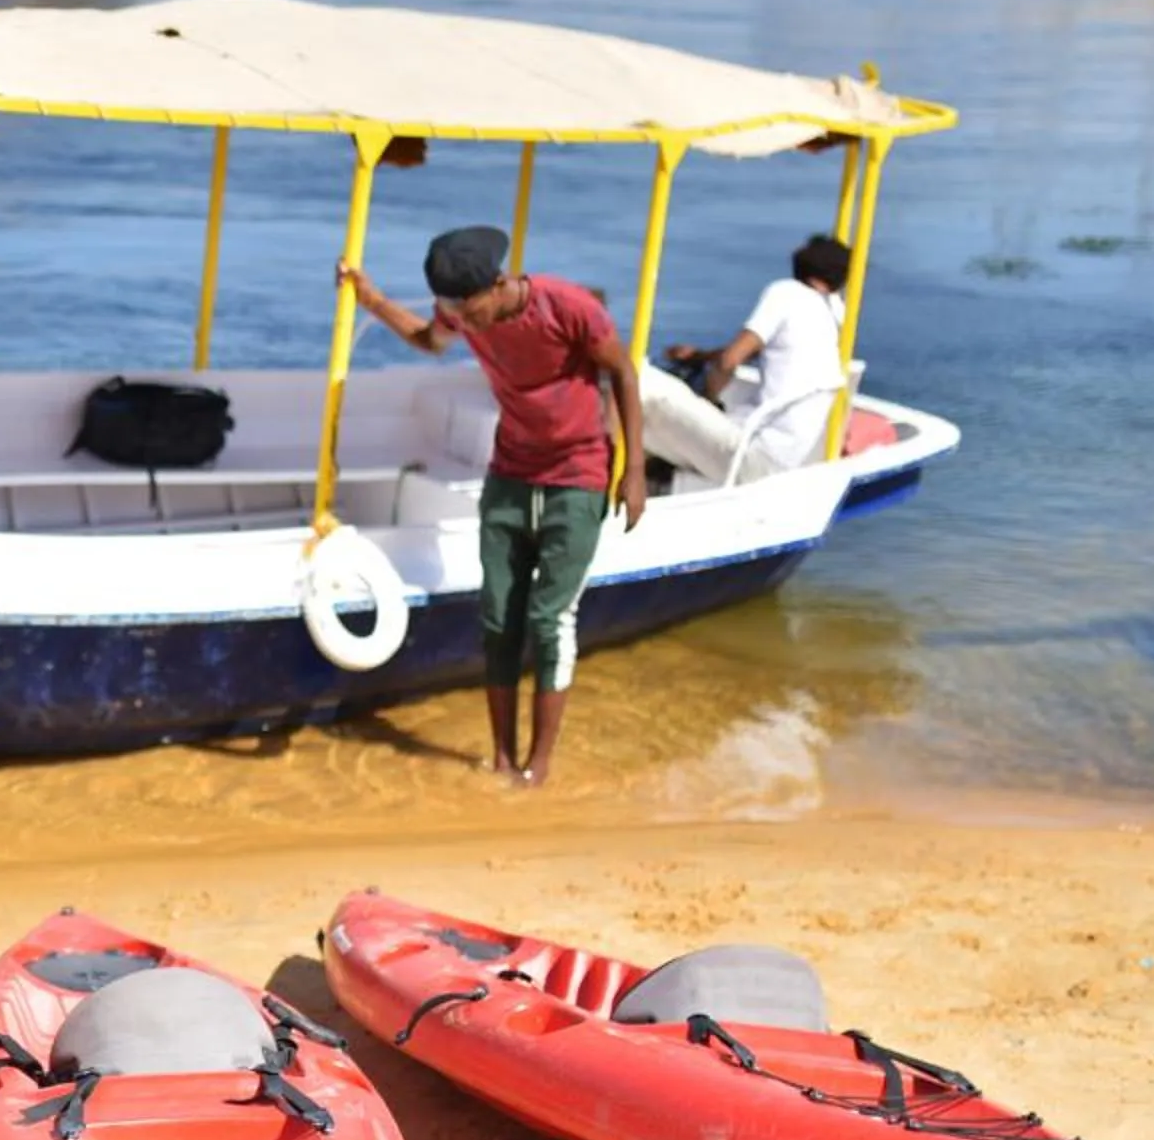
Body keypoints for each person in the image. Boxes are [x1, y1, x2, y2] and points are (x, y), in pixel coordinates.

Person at [340, 227, 646, 789]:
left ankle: (539, 766)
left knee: (550, 620)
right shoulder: (458, 313)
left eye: (467, 306)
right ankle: (503, 760)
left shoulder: (567, 307)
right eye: (450, 307)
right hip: (509, 473)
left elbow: (623, 371)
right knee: (499, 618)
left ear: (498, 283)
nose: (461, 319)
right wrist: (372, 298)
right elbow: (428, 341)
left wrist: (633, 472)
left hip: (577, 475)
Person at [642, 235, 855, 484]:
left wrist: (709, 400)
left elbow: (728, 362)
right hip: (782, 459)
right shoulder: (833, 310)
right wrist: (700, 356)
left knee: (640, 383)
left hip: (749, 456)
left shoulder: (786, 293)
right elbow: (752, 349)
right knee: (662, 423)